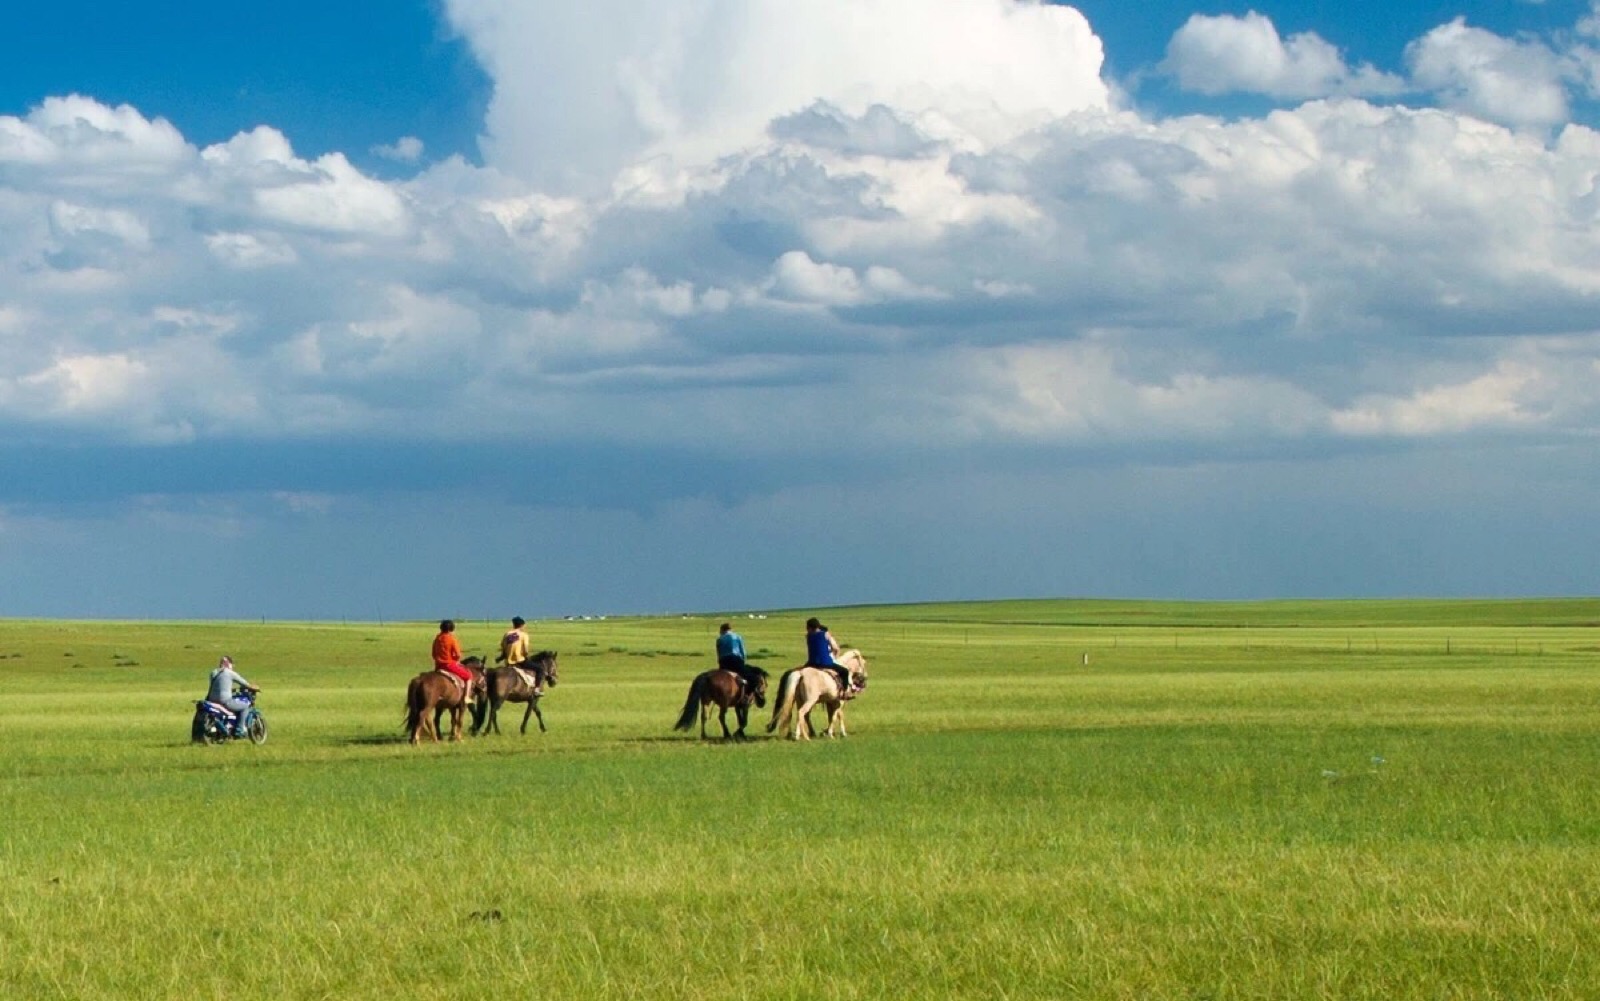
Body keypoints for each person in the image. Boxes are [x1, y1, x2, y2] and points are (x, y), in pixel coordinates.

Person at [206, 655, 258, 737]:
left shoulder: (213, 672)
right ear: (229, 664)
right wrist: (254, 687)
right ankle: (239, 729)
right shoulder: (230, 673)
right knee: (245, 707)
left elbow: (220, 685)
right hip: (224, 700)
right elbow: (244, 683)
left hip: (211, 700)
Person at [804, 617, 852, 696]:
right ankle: (845, 692)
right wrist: (834, 657)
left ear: (809, 627)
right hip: (825, 663)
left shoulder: (808, 636)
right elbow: (835, 648)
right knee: (845, 671)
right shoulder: (826, 634)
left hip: (811, 663)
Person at [498, 616, 540, 693]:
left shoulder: (507, 634)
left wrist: (500, 658)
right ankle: (537, 689)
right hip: (520, 661)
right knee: (540, 669)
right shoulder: (524, 635)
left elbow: (503, 649)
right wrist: (527, 657)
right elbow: (526, 650)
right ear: (521, 625)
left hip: (508, 662)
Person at [431, 619, 475, 693]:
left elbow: (433, 654)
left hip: (438, 666)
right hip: (449, 665)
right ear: (450, 629)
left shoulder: (437, 638)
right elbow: (458, 655)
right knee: (468, 677)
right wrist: (455, 659)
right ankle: (466, 697)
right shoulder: (452, 639)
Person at [716, 622, 761, 690]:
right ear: (730, 629)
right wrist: (743, 661)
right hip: (736, 660)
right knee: (753, 679)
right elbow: (742, 651)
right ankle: (747, 692)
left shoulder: (719, 639)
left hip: (724, 662)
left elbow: (719, 653)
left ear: (722, 630)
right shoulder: (737, 637)